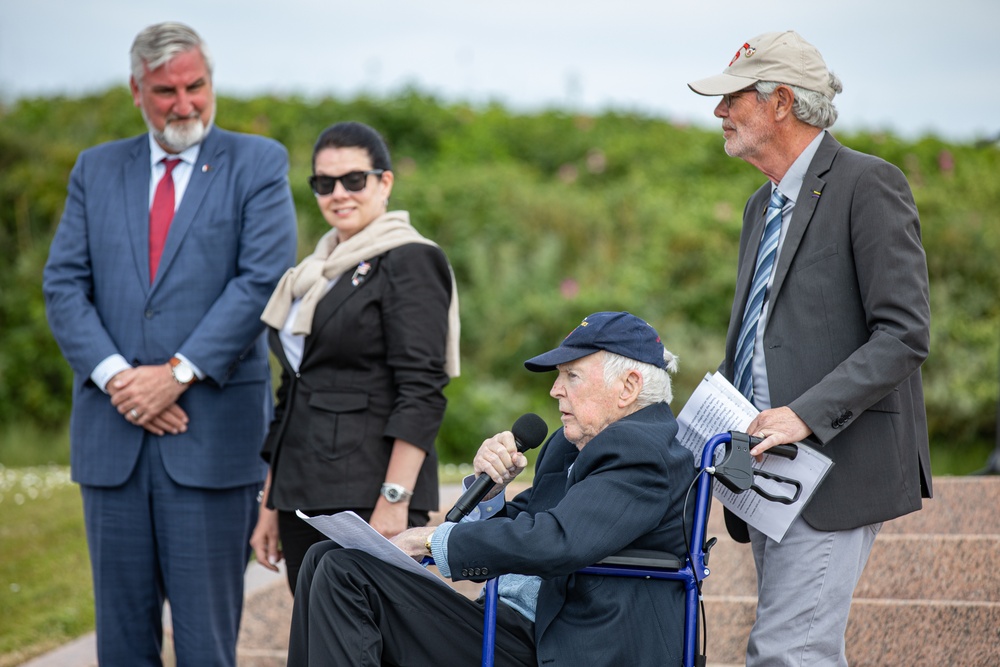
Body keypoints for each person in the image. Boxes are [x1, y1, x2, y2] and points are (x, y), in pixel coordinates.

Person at [42, 22, 297, 667]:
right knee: (122, 644)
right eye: (166, 91)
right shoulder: (95, 170)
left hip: (211, 442)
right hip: (112, 438)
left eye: (196, 86)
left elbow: (260, 282)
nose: (185, 104)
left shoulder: (258, 163)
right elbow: (64, 285)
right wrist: (118, 379)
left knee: (207, 642)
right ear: (136, 90)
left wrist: (176, 374)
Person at [688, 31, 931, 666]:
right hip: (764, 474)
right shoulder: (758, 205)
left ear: (781, 102)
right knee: (800, 652)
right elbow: (758, 337)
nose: (719, 112)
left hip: (834, 472)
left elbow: (905, 334)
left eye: (732, 98)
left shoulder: (869, 184)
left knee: (787, 654)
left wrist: (804, 415)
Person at [285, 311, 696, 666]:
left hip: (562, 642)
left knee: (346, 574)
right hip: (506, 624)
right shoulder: (569, 442)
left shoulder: (644, 450)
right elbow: (528, 522)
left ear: (628, 387)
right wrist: (491, 493)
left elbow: (559, 541)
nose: (555, 390)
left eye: (572, 376)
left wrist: (431, 540)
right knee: (328, 555)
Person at [251, 120, 460, 591]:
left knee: (367, 643)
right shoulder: (314, 273)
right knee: (315, 639)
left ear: (384, 182)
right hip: (302, 493)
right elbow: (294, 393)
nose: (339, 193)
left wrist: (394, 499)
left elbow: (422, 390)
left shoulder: (409, 259)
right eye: (324, 183)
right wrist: (270, 503)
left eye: (354, 179)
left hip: (366, 497)